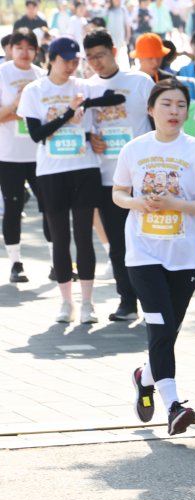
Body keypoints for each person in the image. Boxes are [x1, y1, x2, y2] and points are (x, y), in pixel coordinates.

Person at [113, 79, 195, 436]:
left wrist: (179, 204)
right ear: (151, 109)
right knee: (160, 327)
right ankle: (174, 406)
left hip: (186, 255)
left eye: (180, 104)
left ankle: (144, 377)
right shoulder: (134, 149)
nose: (174, 111)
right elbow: (118, 193)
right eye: (166, 104)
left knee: (169, 331)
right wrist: (137, 202)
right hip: (143, 254)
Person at [17, 36, 102, 323]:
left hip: (84, 167)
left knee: (83, 237)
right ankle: (66, 303)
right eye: (65, 60)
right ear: (51, 59)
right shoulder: (34, 90)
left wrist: (95, 139)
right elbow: (37, 135)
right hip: (51, 171)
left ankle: (88, 303)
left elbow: (90, 128)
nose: (71, 65)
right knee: (60, 239)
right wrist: (68, 112)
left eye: (75, 60)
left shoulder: (84, 87)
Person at [84, 29, 153, 320]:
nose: (95, 62)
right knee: (117, 243)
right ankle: (127, 301)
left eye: (100, 55)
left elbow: (159, 121)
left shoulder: (140, 82)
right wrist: (90, 138)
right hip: (106, 179)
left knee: (148, 240)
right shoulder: (86, 88)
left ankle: (154, 302)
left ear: (113, 50)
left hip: (143, 179)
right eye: (89, 58)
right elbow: (82, 127)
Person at [0, 31, 49, 283]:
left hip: (40, 154)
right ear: (9, 48)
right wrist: (16, 107)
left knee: (49, 206)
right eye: (18, 47)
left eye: (30, 47)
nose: (24, 52)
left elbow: (47, 116)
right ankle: (15, 263)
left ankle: (58, 260)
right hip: (8, 155)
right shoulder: (2, 74)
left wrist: (23, 112)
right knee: (13, 207)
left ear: (37, 50)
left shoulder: (42, 76)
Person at [105, 0, 131, 70]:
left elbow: (127, 24)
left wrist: (128, 36)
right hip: (109, 36)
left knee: (117, 55)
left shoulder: (123, 9)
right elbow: (104, 22)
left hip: (119, 37)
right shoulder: (107, 9)